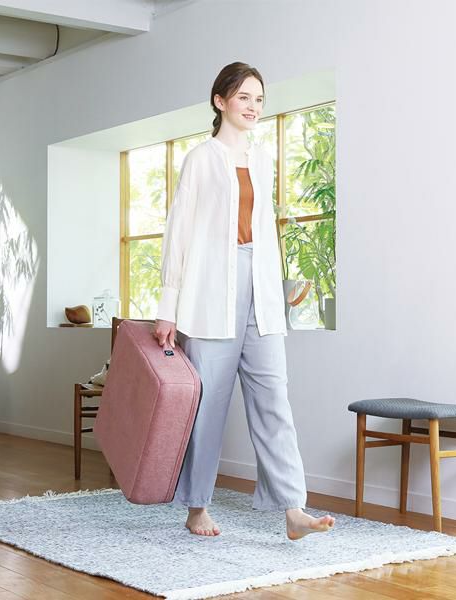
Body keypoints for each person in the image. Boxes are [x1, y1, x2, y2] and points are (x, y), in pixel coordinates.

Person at [152, 61, 335, 540]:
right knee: (208, 408)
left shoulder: (262, 159)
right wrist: (168, 308)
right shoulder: (200, 159)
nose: (253, 107)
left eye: (259, 99)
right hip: (210, 291)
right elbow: (179, 234)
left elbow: (266, 233)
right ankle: (197, 508)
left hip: (261, 288)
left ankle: (293, 509)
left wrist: (278, 289)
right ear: (221, 101)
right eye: (244, 97)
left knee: (274, 400)